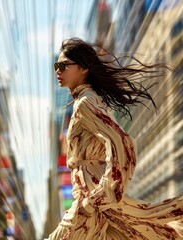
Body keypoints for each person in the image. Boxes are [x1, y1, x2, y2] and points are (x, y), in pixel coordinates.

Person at [46, 38, 183, 240]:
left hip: (90, 201)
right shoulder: (86, 100)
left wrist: (101, 196)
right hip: (93, 202)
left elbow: (122, 143)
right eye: (56, 66)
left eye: (64, 65)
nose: (58, 70)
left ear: (83, 68)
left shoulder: (85, 102)